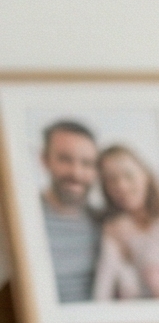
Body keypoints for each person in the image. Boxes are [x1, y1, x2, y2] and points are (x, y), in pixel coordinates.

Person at [90, 144, 159, 300]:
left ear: (145, 174)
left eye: (128, 175)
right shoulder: (113, 229)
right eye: (111, 180)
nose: (121, 186)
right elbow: (102, 289)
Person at [35, 121, 102, 303]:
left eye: (87, 163)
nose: (76, 173)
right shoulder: (19, 219)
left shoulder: (104, 223)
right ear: (45, 160)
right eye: (65, 159)